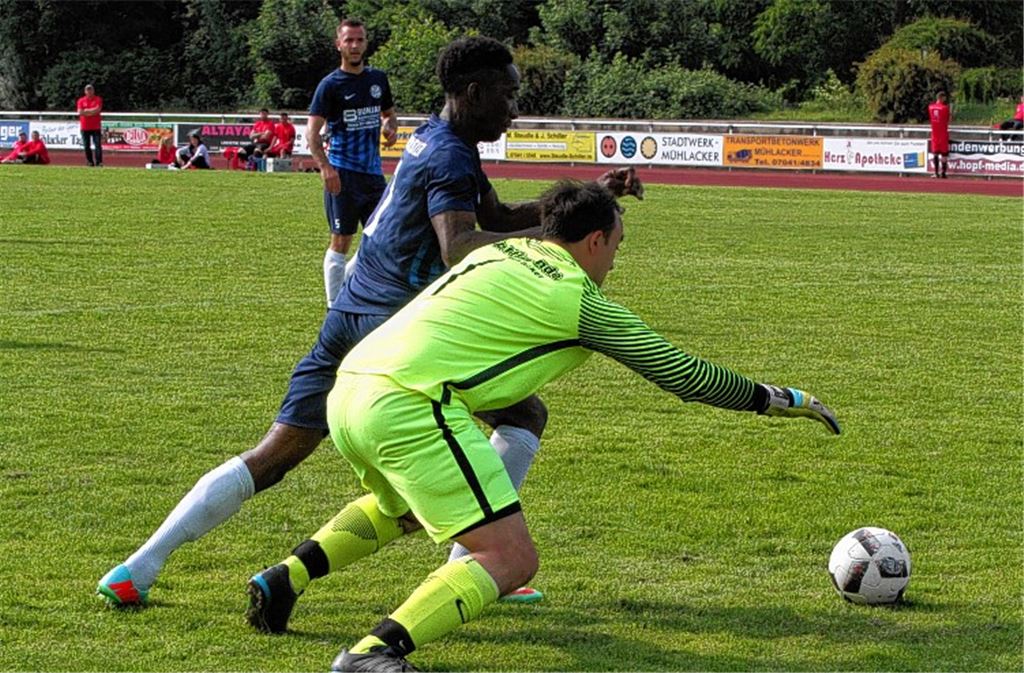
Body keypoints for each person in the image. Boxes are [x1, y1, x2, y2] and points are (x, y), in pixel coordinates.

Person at [95, 35, 643, 612]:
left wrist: (585, 197)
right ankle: (482, 565)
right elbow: (460, 246)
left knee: (274, 455)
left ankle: (139, 566)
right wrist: (562, 238)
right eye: (507, 95)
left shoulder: (437, 136)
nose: (514, 108)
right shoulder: (452, 154)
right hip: (387, 325)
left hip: (349, 311)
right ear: (474, 92)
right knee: (526, 414)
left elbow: (497, 216)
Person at [251, 179, 841, 672]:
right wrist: (779, 398)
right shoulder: (578, 299)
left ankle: (284, 578)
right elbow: (684, 376)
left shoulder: (494, 252)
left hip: (354, 384)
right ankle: (374, 652)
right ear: (593, 240)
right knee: (510, 558)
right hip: (409, 402)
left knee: (402, 509)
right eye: (616, 245)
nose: (614, 259)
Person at [309, 17, 399, 305]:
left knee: (381, 238)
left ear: (366, 43)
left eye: (359, 40)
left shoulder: (378, 79)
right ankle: (334, 308)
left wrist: (390, 127)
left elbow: (389, 114)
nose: (355, 45)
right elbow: (311, 131)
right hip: (343, 174)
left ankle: (347, 281)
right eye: (349, 40)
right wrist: (325, 167)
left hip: (373, 175)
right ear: (339, 45)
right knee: (341, 240)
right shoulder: (330, 85)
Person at [77, 83, 103, 167]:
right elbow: (80, 112)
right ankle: (90, 161)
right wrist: (91, 112)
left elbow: (97, 110)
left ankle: (99, 162)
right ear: (85, 91)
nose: (89, 91)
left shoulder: (98, 99)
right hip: (85, 127)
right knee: (86, 146)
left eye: (90, 90)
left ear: (93, 91)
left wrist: (86, 111)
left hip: (96, 126)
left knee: (98, 145)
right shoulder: (81, 100)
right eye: (87, 90)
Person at [927, 91, 950, 179]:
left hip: (935, 134)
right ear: (941, 98)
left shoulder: (930, 107)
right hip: (943, 134)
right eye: (944, 98)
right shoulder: (945, 108)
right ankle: (943, 173)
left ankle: (936, 173)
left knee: (935, 154)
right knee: (944, 155)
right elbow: (947, 119)